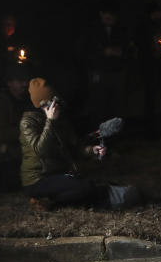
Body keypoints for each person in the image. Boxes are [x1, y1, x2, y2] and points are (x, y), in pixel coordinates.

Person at [19, 78, 105, 209]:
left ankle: (51, 198)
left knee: (90, 185)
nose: (56, 105)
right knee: (85, 188)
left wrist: (92, 150)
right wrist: (50, 122)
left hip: (57, 173)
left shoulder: (60, 117)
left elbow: (73, 147)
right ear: (42, 104)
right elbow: (42, 150)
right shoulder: (28, 122)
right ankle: (49, 202)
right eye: (52, 102)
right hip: (37, 179)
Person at [78, 0, 132, 130]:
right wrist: (102, 53)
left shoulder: (120, 30)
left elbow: (128, 50)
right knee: (98, 106)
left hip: (116, 73)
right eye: (108, 16)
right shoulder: (92, 30)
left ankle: (113, 137)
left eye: (113, 16)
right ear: (101, 14)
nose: (111, 19)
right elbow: (83, 51)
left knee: (116, 106)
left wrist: (121, 52)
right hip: (98, 73)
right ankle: (98, 138)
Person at [0, 64, 32, 190]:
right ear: (9, 83)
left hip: (22, 154)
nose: (25, 84)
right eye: (20, 81)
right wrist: (29, 130)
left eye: (26, 80)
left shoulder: (24, 100)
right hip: (4, 158)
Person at [134, 2, 161, 138]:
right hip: (150, 67)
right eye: (157, 13)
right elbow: (140, 44)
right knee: (151, 98)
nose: (159, 15)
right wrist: (152, 42)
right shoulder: (144, 27)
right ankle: (151, 130)